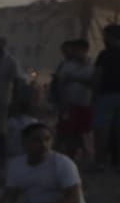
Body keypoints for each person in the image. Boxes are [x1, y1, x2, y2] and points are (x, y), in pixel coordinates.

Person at [0, 122, 85, 203]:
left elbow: (74, 199)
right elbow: (10, 195)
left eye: (47, 139)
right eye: (37, 140)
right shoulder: (16, 164)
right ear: (24, 143)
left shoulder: (63, 163)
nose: (44, 144)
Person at [51, 38, 97, 164]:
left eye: (78, 50)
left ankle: (86, 155)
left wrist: (76, 79)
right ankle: (68, 156)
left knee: (84, 132)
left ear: (85, 50)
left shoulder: (92, 66)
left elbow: (94, 83)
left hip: (85, 103)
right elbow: (60, 83)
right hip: (69, 104)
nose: (76, 53)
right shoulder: (67, 65)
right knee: (68, 130)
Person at [94, 24, 120, 171]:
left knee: (101, 129)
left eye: (105, 35)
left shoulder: (105, 54)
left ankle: (100, 162)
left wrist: (94, 94)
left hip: (107, 95)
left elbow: (98, 75)